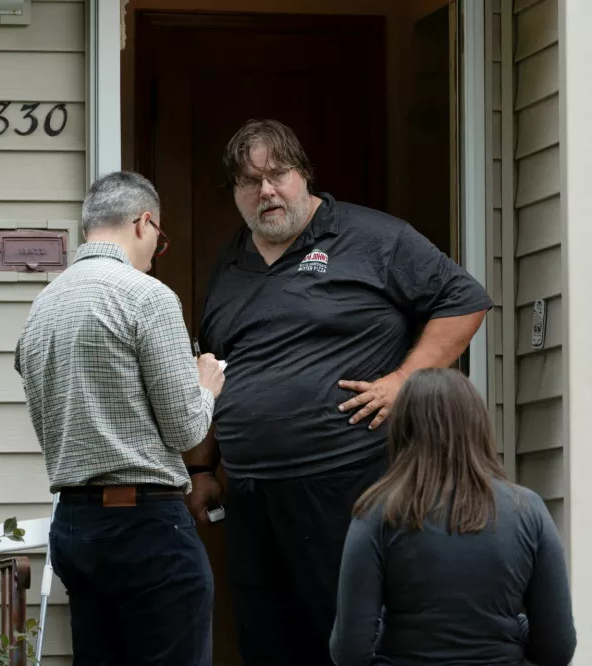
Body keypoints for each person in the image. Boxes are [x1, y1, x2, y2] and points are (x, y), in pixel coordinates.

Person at [183, 118, 493, 665]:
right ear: (234, 193)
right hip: (252, 495)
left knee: (352, 639)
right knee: (268, 642)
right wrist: (204, 468)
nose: (267, 191)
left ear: (304, 175)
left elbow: (464, 300)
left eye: (277, 174)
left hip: (349, 484)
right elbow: (217, 369)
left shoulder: (373, 237)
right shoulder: (231, 264)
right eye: (249, 182)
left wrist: (406, 380)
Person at [14, 171, 225, 666]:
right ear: (144, 222)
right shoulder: (148, 296)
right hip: (146, 528)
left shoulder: (43, 306)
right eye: (159, 237)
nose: (156, 248)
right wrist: (206, 386)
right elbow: (185, 429)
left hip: (74, 527)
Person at [328, 368, 577, 666]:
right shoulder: (528, 510)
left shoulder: (377, 512)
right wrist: (510, 627)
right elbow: (557, 649)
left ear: (403, 429)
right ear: (478, 426)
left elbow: (350, 652)